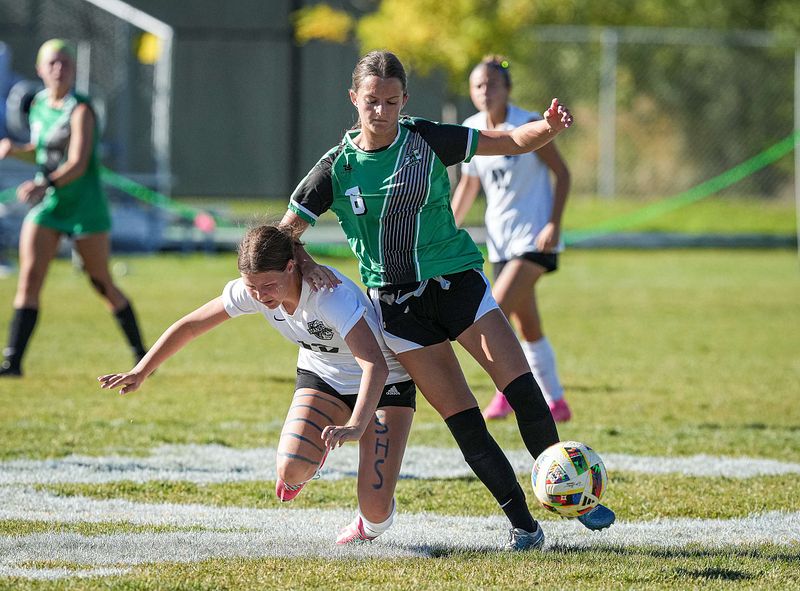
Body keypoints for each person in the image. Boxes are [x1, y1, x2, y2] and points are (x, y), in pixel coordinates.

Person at [280, 50, 615, 551]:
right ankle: (524, 526)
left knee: (523, 391)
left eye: (391, 101)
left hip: (457, 285)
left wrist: (546, 128)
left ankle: (575, 496)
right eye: (371, 101)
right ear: (354, 99)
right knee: (466, 424)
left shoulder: (425, 138)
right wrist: (305, 262)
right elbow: (284, 234)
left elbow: (508, 141)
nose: (381, 111)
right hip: (398, 309)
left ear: (404, 100)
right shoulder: (336, 167)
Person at [98, 224, 416, 544]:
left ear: (290, 267)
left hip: (385, 383)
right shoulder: (254, 289)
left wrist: (356, 426)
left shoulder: (328, 296)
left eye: (268, 286)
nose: (261, 296)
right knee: (291, 469)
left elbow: (375, 365)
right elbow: (191, 326)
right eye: (252, 287)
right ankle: (312, 456)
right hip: (324, 376)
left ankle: (366, 525)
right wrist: (141, 371)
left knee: (375, 510)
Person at [0, 39, 146, 377]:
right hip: (51, 204)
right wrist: (15, 149)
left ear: (74, 69)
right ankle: (12, 362)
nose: (59, 69)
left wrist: (43, 184)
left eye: (65, 62)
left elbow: (77, 163)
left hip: (85, 206)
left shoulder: (81, 109)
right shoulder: (39, 104)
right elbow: (43, 151)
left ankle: (141, 355)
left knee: (101, 283)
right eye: (52, 63)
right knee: (30, 278)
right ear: (40, 69)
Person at [451, 56, 572, 423]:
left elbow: (563, 174)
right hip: (500, 242)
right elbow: (469, 186)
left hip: (534, 239)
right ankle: (557, 401)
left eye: (492, 84)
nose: (485, 91)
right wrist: (447, 229)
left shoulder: (529, 123)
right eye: (478, 85)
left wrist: (554, 224)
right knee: (527, 326)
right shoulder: (472, 129)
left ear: (507, 88)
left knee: (494, 311)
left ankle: (505, 393)